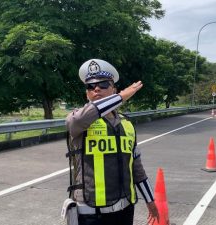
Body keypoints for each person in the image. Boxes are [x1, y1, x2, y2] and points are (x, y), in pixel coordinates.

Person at [65, 59, 159, 225]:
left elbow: (136, 167)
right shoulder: (78, 119)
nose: (96, 89)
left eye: (103, 84)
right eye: (90, 86)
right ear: (87, 93)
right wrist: (122, 97)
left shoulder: (127, 124)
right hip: (91, 211)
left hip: (125, 208)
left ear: (113, 89)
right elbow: (84, 117)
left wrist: (150, 200)